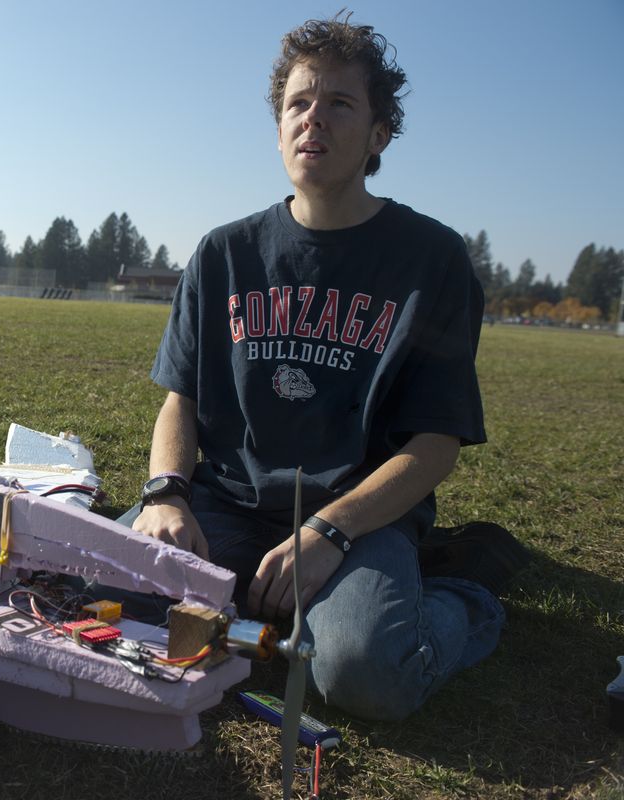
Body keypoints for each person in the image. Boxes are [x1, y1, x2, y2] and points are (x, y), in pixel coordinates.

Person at [131, 14, 526, 721]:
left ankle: (461, 595)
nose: (313, 119)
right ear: (279, 126)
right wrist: (166, 493)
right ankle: (288, 606)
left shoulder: (430, 260)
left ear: (379, 135)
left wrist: (332, 532)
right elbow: (180, 398)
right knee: (97, 591)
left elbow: (435, 443)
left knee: (360, 671)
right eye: (298, 103)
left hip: (359, 518)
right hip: (225, 503)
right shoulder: (223, 253)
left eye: (340, 103)